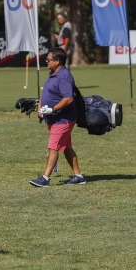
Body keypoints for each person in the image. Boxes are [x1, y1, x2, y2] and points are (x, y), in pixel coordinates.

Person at [29, 47, 85, 187]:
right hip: (54, 119)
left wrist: (52, 109)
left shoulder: (64, 76)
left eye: (49, 59)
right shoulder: (52, 72)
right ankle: (79, 176)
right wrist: (40, 106)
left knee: (53, 147)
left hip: (63, 119)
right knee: (66, 147)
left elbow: (68, 99)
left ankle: (45, 178)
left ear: (57, 61)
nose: (46, 61)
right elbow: (47, 92)